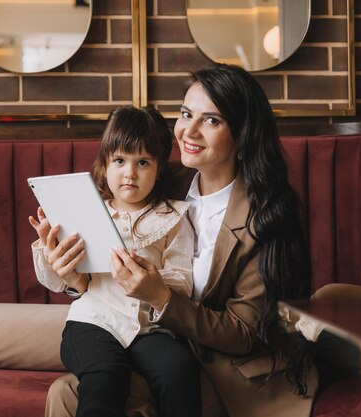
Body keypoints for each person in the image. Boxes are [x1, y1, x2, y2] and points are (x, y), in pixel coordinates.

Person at [45, 63, 320, 417]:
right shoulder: (162, 177)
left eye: (211, 120)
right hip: (134, 328)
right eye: (186, 114)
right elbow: (108, 228)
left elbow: (241, 332)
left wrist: (159, 296)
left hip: (212, 364)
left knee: (67, 392)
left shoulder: (266, 217)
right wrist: (71, 277)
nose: (188, 131)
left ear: (243, 135)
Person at [29, 105, 201, 417]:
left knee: (179, 367)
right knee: (106, 374)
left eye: (143, 162)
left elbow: (182, 279)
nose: (129, 172)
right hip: (92, 323)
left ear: (159, 168)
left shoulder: (174, 217)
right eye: (120, 160)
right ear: (105, 164)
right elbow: (59, 281)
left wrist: (150, 283)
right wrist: (50, 249)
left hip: (149, 329)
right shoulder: (83, 211)